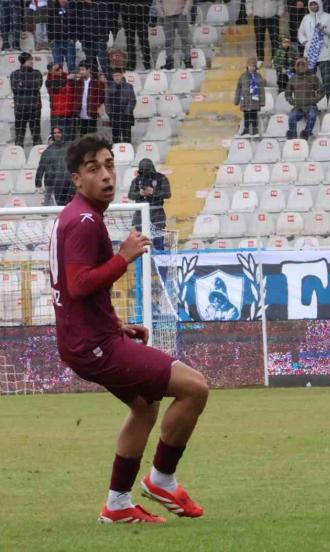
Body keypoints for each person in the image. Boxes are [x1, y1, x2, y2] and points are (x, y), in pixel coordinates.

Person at [50, 135, 208, 524]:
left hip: (88, 339)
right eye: (93, 169)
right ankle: (161, 480)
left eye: (109, 165)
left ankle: (117, 504)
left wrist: (115, 324)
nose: (106, 175)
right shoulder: (85, 221)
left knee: (144, 406)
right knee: (194, 388)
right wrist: (123, 257)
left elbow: (74, 291)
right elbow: (78, 285)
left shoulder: (78, 216)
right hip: (92, 345)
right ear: (76, 179)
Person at [128, 158, 172, 251]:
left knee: (158, 244)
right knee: (141, 245)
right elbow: (130, 195)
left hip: (157, 215)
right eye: (142, 171)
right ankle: (143, 261)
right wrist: (140, 194)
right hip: (140, 216)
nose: (145, 173)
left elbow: (167, 194)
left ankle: (160, 261)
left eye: (147, 170)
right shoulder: (136, 180)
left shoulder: (161, 178)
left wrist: (153, 192)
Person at [298, 0, 330, 97]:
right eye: (311, 4)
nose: (313, 6)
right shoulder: (306, 18)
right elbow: (300, 33)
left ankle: (328, 100)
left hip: (325, 54)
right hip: (310, 54)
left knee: (326, 81)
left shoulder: (328, 17)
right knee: (309, 80)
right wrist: (306, 43)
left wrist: (324, 29)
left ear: (319, 4)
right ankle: (311, 102)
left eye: (315, 4)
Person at [286, 56, 324, 140]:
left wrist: (315, 100)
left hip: (311, 106)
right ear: (296, 66)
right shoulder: (293, 79)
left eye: (303, 64)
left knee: (312, 116)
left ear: (306, 66)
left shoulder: (313, 77)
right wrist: (292, 102)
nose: (301, 66)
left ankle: (306, 133)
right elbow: (287, 94)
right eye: (298, 64)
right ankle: (293, 136)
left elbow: (322, 92)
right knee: (291, 117)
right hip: (298, 107)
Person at [10, 52, 43, 147]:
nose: (32, 61)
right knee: (19, 135)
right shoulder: (14, 74)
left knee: (36, 134)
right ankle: (18, 154)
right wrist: (29, 84)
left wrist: (23, 83)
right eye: (29, 60)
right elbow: (16, 89)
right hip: (20, 109)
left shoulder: (37, 73)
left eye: (31, 59)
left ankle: (38, 153)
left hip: (35, 108)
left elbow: (36, 86)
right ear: (23, 61)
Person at [35, 127, 73, 206]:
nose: (57, 134)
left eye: (58, 132)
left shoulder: (70, 147)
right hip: (57, 184)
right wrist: (38, 183)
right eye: (55, 133)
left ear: (62, 133)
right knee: (61, 207)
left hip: (71, 183)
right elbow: (41, 167)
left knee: (73, 206)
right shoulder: (48, 151)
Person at [77, 0, 113, 81]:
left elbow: (107, 21)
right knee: (91, 63)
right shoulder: (80, 7)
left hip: (99, 38)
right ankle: (95, 82)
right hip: (86, 39)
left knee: (103, 62)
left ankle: (111, 82)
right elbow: (78, 23)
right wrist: (80, 37)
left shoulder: (101, 5)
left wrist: (104, 36)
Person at [71, 60, 107, 137]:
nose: (81, 72)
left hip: (92, 114)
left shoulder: (97, 83)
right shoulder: (77, 83)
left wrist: (95, 107)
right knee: (82, 136)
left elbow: (102, 97)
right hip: (80, 114)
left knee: (91, 137)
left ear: (88, 70)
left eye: (83, 70)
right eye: (80, 70)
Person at [158, 0, 194, 70]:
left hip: (181, 14)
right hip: (167, 16)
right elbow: (157, 1)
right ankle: (169, 62)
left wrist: (185, 11)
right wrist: (161, 12)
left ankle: (187, 61)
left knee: (185, 39)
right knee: (168, 40)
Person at [234, 57, 266, 135]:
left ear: (255, 67)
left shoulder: (258, 76)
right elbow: (238, 88)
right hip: (245, 100)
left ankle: (255, 129)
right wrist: (236, 100)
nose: (252, 68)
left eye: (253, 66)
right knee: (246, 115)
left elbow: (261, 89)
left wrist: (262, 101)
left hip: (255, 100)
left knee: (254, 115)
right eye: (250, 66)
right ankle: (246, 129)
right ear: (247, 66)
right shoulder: (243, 76)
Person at [247, 0, 283, 66]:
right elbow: (249, 1)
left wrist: (279, 13)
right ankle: (260, 59)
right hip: (258, 15)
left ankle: (275, 59)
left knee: (275, 39)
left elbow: (280, 1)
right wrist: (249, 11)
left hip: (273, 15)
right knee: (259, 38)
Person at [105, 68, 136, 144]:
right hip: (114, 116)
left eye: (118, 75)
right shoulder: (109, 88)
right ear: (112, 77)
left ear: (122, 75)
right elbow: (107, 103)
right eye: (114, 76)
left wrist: (126, 112)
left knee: (127, 139)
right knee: (116, 140)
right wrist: (110, 114)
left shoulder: (129, 86)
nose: (116, 78)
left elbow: (132, 101)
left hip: (126, 116)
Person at [120, 0, 152, 71]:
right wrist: (124, 11)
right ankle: (131, 63)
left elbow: (149, 2)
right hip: (128, 16)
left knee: (144, 40)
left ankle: (147, 63)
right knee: (130, 41)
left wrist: (145, 9)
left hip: (142, 16)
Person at [46, 63, 76, 141]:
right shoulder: (49, 81)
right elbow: (56, 85)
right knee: (59, 139)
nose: (60, 70)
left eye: (60, 68)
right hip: (57, 115)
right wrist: (67, 78)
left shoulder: (69, 78)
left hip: (70, 114)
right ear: (51, 71)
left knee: (71, 138)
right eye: (57, 69)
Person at [46, 0, 78, 71]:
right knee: (57, 65)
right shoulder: (53, 10)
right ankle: (59, 78)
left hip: (69, 40)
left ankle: (71, 77)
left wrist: (74, 38)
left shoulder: (73, 9)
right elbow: (49, 25)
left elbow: (76, 23)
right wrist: (50, 38)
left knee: (71, 64)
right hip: (56, 41)